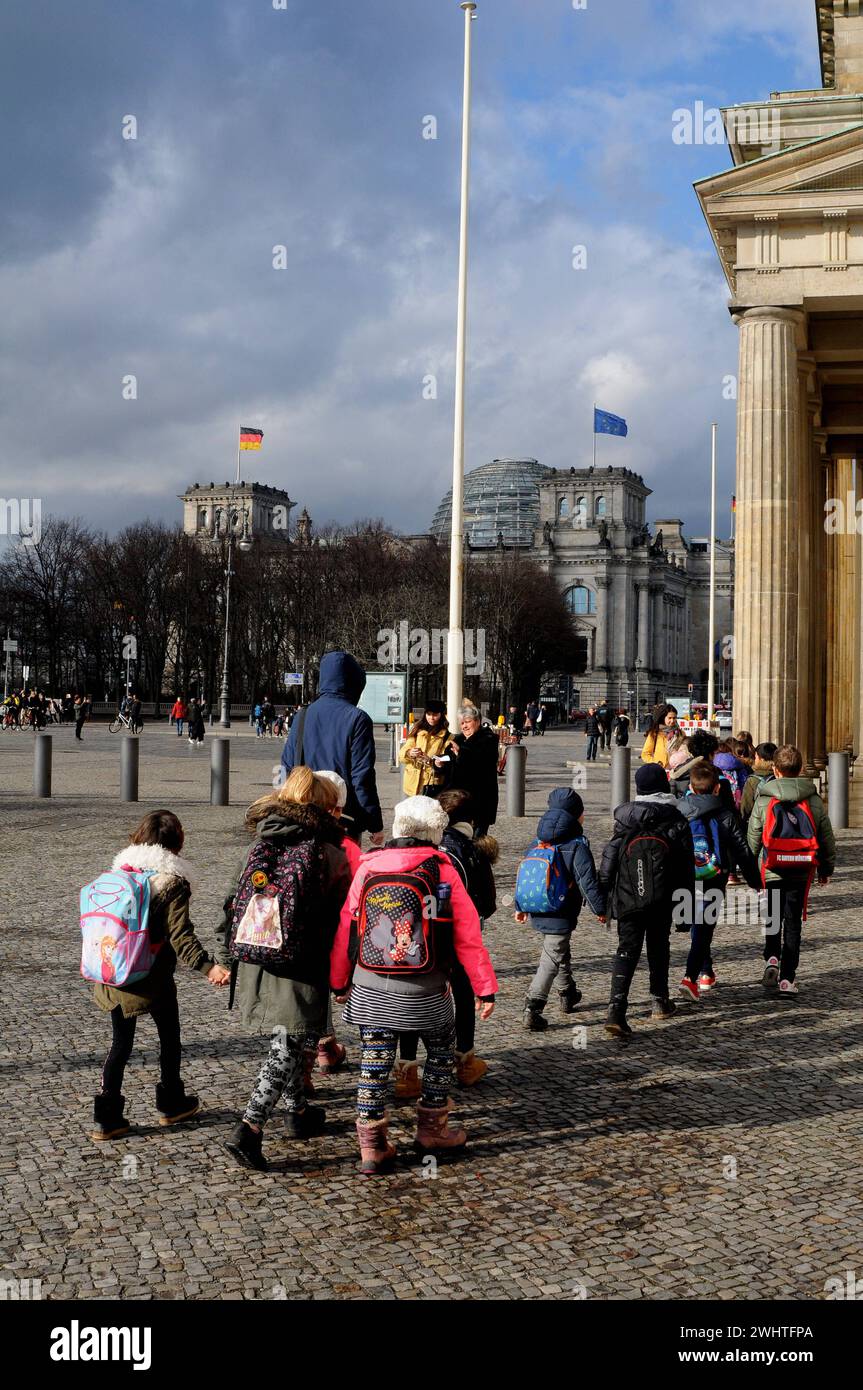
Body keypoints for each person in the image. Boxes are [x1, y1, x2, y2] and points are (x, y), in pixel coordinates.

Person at [330, 795, 497, 1176]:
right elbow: (467, 934)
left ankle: (371, 1146)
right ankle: (432, 1130)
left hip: (371, 986)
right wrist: (484, 986)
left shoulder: (369, 867)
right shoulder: (442, 869)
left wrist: (339, 980)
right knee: (440, 1050)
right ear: (436, 831)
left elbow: (346, 927)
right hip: (427, 987)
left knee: (373, 1062)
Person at [217, 768, 351, 1172]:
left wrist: (229, 958)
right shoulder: (329, 852)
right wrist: (343, 971)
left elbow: (230, 902)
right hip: (302, 961)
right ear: (324, 808)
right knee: (289, 1043)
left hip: (258, 954)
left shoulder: (261, 842)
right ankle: (249, 1128)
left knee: (294, 1032)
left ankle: (298, 1110)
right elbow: (344, 920)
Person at [88, 809, 230, 1141]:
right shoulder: (172, 882)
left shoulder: (119, 873)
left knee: (120, 1044)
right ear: (177, 841)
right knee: (169, 1037)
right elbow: (181, 936)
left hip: (113, 970)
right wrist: (210, 967)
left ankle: (107, 1117)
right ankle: (171, 1103)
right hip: (151, 977)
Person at [395, 788, 498, 1093]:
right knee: (464, 995)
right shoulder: (472, 850)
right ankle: (465, 1061)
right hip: (456, 940)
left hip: (417, 940)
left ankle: (407, 1072)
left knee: (413, 999)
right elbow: (488, 905)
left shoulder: (419, 852)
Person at [599, 764, 694, 1036]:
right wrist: (686, 912)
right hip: (662, 896)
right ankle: (659, 1000)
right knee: (658, 945)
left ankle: (616, 1009)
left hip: (628, 895)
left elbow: (608, 861)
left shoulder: (625, 817)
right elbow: (687, 869)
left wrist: (603, 898)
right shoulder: (676, 818)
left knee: (626, 949)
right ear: (664, 786)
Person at [747, 745, 836, 996]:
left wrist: (750, 870)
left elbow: (753, 837)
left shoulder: (765, 799)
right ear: (799, 770)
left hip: (772, 867)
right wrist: (826, 869)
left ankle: (772, 957)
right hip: (801, 866)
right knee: (793, 922)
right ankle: (787, 979)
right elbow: (827, 838)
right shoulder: (812, 798)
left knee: (773, 916)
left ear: (775, 770)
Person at [515, 789, 606, 1031]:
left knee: (557, 949)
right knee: (551, 956)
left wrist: (520, 905)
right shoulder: (576, 845)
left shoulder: (539, 840)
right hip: (562, 909)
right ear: (578, 816)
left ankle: (568, 993)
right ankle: (533, 1007)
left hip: (537, 905)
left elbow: (526, 873)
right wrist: (601, 909)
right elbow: (587, 881)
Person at [676, 760, 761, 999]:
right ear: (717, 788)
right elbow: (743, 850)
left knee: (696, 923)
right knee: (704, 927)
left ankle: (705, 971)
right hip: (715, 877)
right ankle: (692, 977)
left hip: (686, 878)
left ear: (691, 787)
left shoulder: (679, 811)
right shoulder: (725, 814)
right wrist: (756, 882)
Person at [280, 651, 383, 847]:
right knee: (341, 873)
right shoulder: (357, 718)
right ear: (355, 683)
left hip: (304, 814)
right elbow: (362, 777)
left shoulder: (302, 715)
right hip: (343, 816)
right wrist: (374, 823)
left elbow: (286, 767)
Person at [449, 704, 499, 836]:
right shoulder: (457, 739)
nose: (464, 726)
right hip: (459, 799)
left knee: (478, 839)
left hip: (481, 799)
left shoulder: (489, 739)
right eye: (462, 723)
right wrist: (439, 763)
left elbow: (483, 762)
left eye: (468, 722)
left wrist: (462, 754)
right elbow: (448, 763)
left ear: (477, 722)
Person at [399, 700, 454, 798]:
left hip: (431, 785)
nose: (431, 718)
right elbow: (402, 754)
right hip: (411, 785)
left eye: (435, 715)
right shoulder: (416, 731)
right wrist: (409, 753)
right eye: (429, 714)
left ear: (441, 715)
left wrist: (430, 761)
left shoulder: (448, 737)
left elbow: (447, 760)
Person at [740, 742, 778, 827]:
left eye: (756, 757)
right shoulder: (780, 775)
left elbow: (746, 808)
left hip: (760, 825)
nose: (755, 760)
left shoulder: (753, 780)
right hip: (781, 824)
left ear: (761, 759)